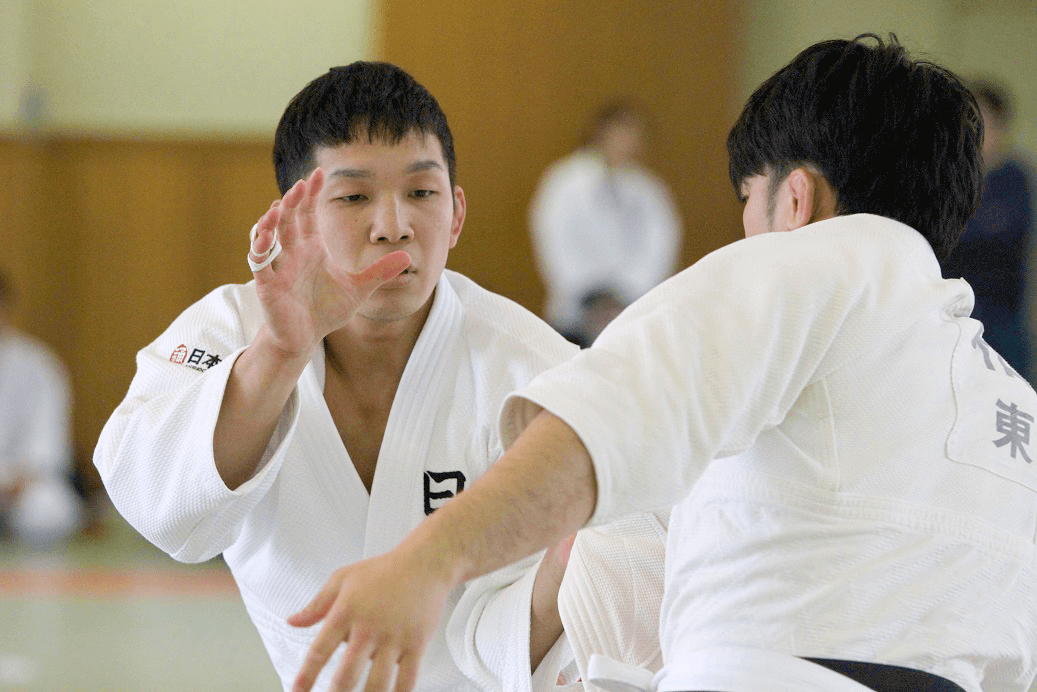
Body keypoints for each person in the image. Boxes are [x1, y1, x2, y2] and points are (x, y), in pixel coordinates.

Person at [278, 34, 1037, 692]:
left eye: (748, 197)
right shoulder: (1008, 406)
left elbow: (603, 429)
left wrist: (423, 565)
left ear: (795, 199)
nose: (748, 229)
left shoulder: (802, 267)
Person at [92, 62, 580, 691]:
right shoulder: (233, 329)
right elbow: (161, 508)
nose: (393, 225)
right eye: (353, 197)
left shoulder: (529, 362)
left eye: (422, 193)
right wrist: (278, 354)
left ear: (456, 214)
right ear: (297, 218)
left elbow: (604, 558)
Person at [529, 100, 682, 346]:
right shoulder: (564, 181)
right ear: (600, 132)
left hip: (630, 308)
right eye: (621, 130)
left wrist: (624, 293)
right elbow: (554, 238)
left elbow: (660, 244)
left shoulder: (648, 188)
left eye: (633, 133)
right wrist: (592, 295)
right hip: (576, 312)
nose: (627, 140)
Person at [940, 79, 1036, 383]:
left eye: (984, 123)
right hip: (952, 316)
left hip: (1003, 318)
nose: (976, 134)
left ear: (1002, 126)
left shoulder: (1017, 179)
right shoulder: (946, 180)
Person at [0, 270, 83, 551]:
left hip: (19, 486)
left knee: (51, 510)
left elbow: (47, 451)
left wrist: (14, 484)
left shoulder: (37, 365)